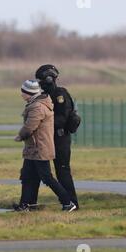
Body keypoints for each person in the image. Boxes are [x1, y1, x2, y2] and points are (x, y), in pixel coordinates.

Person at [14, 80, 77, 212]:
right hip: (33, 148)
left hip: (39, 148)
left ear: (29, 93)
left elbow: (30, 126)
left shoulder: (38, 107)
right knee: (26, 176)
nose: (21, 94)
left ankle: (68, 202)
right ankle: (25, 205)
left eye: (23, 92)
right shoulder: (35, 104)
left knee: (47, 178)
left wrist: (20, 136)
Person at [35, 65, 80, 209]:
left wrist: (43, 123)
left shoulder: (60, 95)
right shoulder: (46, 96)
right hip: (49, 137)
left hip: (60, 138)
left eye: (41, 80)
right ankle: (29, 202)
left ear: (48, 79)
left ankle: (72, 202)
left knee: (62, 171)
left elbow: (62, 118)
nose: (39, 83)